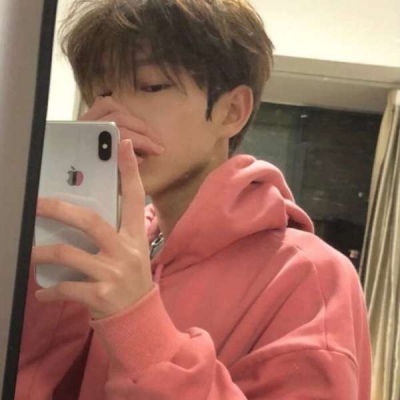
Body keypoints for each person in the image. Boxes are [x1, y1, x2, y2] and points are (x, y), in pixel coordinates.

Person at [16, 0, 371, 399]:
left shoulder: (310, 275)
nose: (112, 112)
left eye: (150, 85)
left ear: (231, 111)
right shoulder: (110, 248)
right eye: (101, 92)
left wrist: (135, 324)